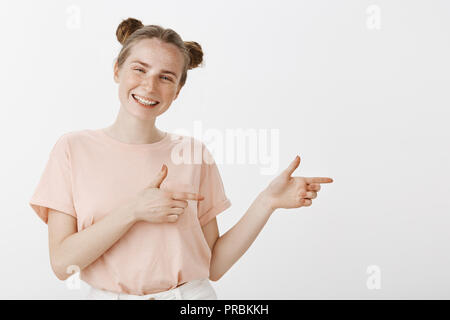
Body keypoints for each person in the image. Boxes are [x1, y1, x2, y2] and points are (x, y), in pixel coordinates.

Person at [29, 17, 333, 300]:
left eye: (166, 77)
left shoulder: (193, 154)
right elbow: (62, 264)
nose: (150, 86)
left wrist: (266, 202)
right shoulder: (73, 149)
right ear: (116, 70)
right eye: (139, 69)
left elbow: (213, 265)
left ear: (177, 90)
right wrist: (134, 210)